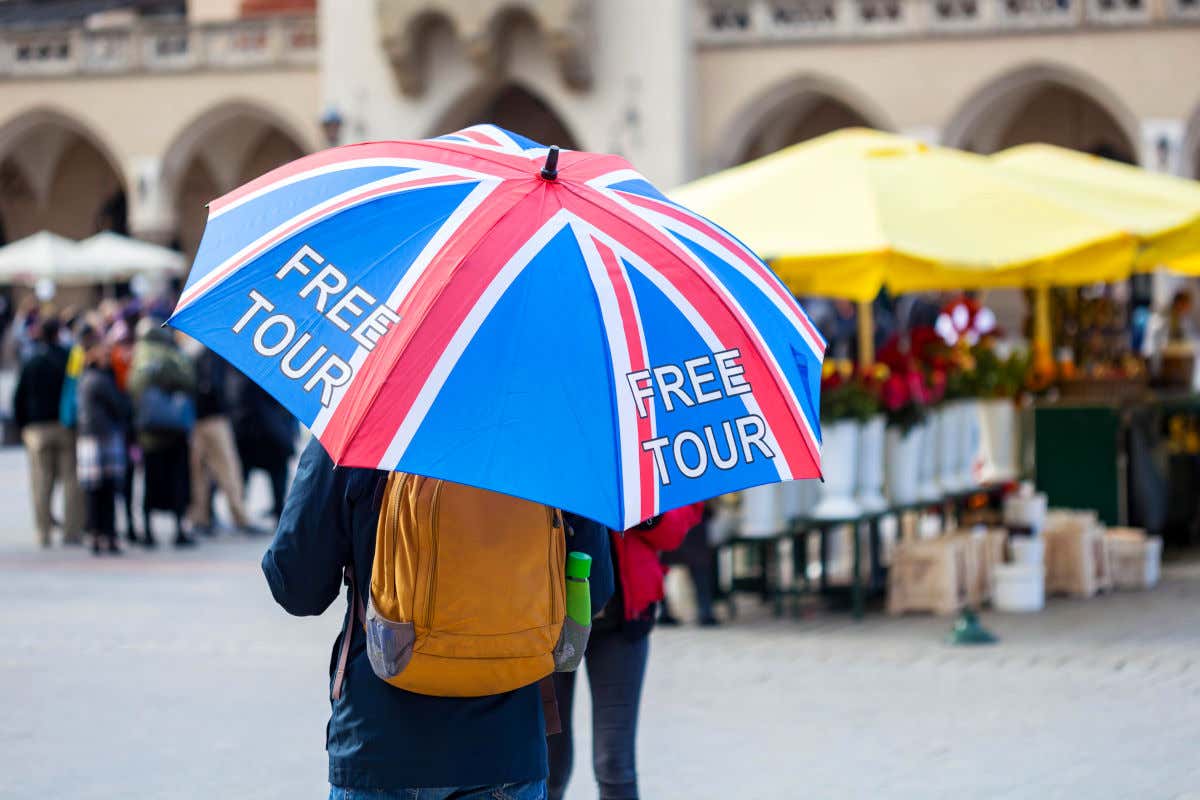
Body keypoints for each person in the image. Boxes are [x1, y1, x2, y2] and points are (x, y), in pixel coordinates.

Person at [263, 437, 613, 799]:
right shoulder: (552, 438)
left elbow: (297, 588)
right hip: (508, 745)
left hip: (381, 737)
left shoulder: (363, 428)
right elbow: (596, 589)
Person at [548, 502, 704, 800]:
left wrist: (643, 511)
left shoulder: (642, 472)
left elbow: (673, 531)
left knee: (614, 765)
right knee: (548, 764)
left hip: (623, 618)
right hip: (549, 617)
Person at [12, 318, 83, 547]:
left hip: (37, 428)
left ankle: (43, 533)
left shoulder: (31, 360)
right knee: (71, 480)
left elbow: (18, 397)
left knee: (41, 482)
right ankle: (72, 531)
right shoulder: (67, 358)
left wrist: (23, 425)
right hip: (64, 425)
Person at [128, 317, 196, 548]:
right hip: (174, 431)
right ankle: (179, 530)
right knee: (177, 481)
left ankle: (148, 531)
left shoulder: (137, 357)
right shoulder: (171, 355)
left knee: (150, 482)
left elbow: (132, 388)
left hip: (148, 434)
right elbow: (189, 380)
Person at [183, 340, 259, 535]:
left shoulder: (190, 349)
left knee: (199, 472)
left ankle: (200, 518)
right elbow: (213, 384)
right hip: (214, 417)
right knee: (228, 469)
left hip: (194, 418)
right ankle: (239, 517)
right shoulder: (211, 349)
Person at [74, 324, 131, 556]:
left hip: (90, 437)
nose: (110, 359)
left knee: (94, 491)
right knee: (106, 490)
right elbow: (120, 406)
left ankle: (96, 534)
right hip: (104, 439)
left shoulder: (84, 377)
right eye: (106, 355)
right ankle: (108, 534)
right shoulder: (101, 380)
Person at [230, 369, 296, 522]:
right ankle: (276, 512)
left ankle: (248, 513)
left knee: (250, 475)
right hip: (269, 435)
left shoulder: (250, 375)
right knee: (275, 476)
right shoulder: (281, 378)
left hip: (256, 435)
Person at [659, 503, 720, 626]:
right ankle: (705, 612)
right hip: (694, 534)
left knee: (662, 574)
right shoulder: (698, 493)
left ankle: (663, 612)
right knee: (701, 576)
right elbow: (709, 512)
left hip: (672, 529)